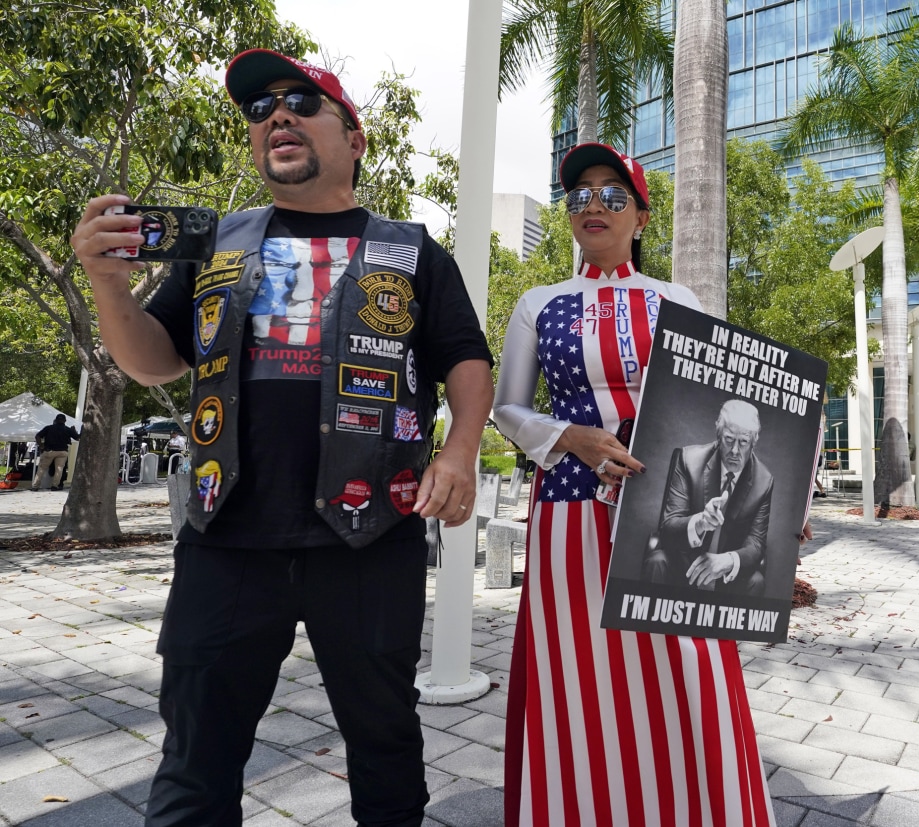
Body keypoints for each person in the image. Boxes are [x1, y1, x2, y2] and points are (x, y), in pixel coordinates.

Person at [70, 49, 493, 826]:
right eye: (261, 110)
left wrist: (460, 450)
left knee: (387, 751)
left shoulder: (412, 249)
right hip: (225, 535)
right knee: (194, 762)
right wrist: (105, 283)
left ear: (356, 138)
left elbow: (465, 357)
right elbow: (154, 358)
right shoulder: (216, 242)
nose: (277, 116)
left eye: (302, 100)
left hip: (371, 535)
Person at [493, 143, 775, 825]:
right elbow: (508, 407)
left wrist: (781, 506)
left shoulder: (679, 299)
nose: (594, 204)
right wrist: (570, 438)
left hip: (667, 517)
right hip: (569, 516)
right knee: (579, 680)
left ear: (642, 218)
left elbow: (720, 407)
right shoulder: (539, 303)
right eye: (581, 193)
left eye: (613, 194)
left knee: (691, 678)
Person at [645, 399, 773, 595]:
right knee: (657, 561)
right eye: (729, 439)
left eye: (744, 442)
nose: (735, 451)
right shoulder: (688, 460)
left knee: (756, 581)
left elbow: (756, 543)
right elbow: (668, 528)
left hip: (725, 577)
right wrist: (699, 523)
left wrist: (728, 560)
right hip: (682, 565)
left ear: (754, 440)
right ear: (718, 433)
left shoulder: (764, 481)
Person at [32, 413, 80, 491]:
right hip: (62, 452)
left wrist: (41, 445)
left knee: (41, 469)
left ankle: (35, 486)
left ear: (55, 420)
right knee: (59, 469)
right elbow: (78, 438)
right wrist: (74, 431)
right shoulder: (68, 429)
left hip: (49, 451)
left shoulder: (48, 428)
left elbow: (38, 436)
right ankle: (55, 486)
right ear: (65, 421)